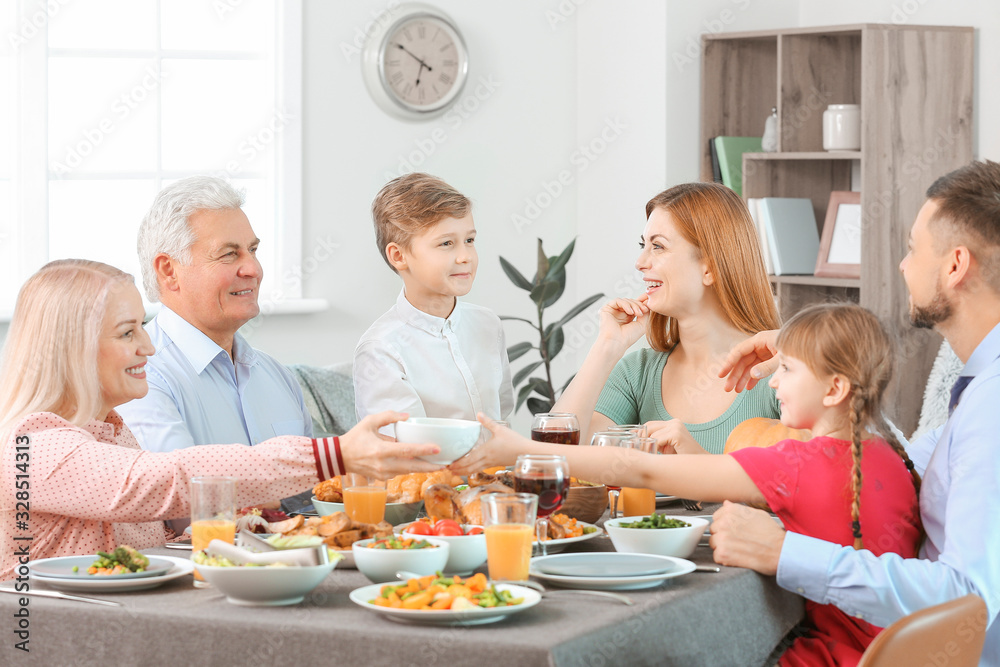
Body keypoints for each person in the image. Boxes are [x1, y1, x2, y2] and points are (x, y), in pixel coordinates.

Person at [455, 302, 921, 665]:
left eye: (786, 369)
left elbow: (637, 468)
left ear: (835, 389)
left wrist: (520, 450)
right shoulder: (889, 456)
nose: (771, 381)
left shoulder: (796, 462)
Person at [712, 160, 1000, 666]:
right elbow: (904, 463)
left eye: (913, 249)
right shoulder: (977, 385)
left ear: (955, 265)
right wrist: (817, 361)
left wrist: (785, 555)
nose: (903, 266)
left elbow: (968, 599)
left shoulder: (993, 401)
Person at [0, 260, 442, 580]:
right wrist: (335, 453)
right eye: (126, 332)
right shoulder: (32, 446)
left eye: (142, 326)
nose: (148, 348)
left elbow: (157, 524)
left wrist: (243, 527)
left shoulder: (112, 433)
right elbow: (163, 481)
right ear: (72, 348)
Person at [552, 181, 781, 453]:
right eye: (643, 245)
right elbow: (558, 455)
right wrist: (607, 346)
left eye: (658, 246)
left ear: (710, 267)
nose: (640, 262)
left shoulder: (777, 371)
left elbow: (806, 488)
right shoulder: (636, 373)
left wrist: (696, 460)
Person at [116, 176, 312, 453]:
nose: (253, 269)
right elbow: (182, 490)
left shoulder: (278, 376)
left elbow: (317, 491)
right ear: (169, 271)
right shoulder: (140, 378)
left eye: (253, 250)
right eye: (229, 254)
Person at [353, 173, 514, 436]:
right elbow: (407, 451)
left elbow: (502, 414)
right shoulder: (381, 350)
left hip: (493, 476)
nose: (465, 257)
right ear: (398, 255)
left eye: (470, 240)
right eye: (446, 243)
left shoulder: (488, 324)